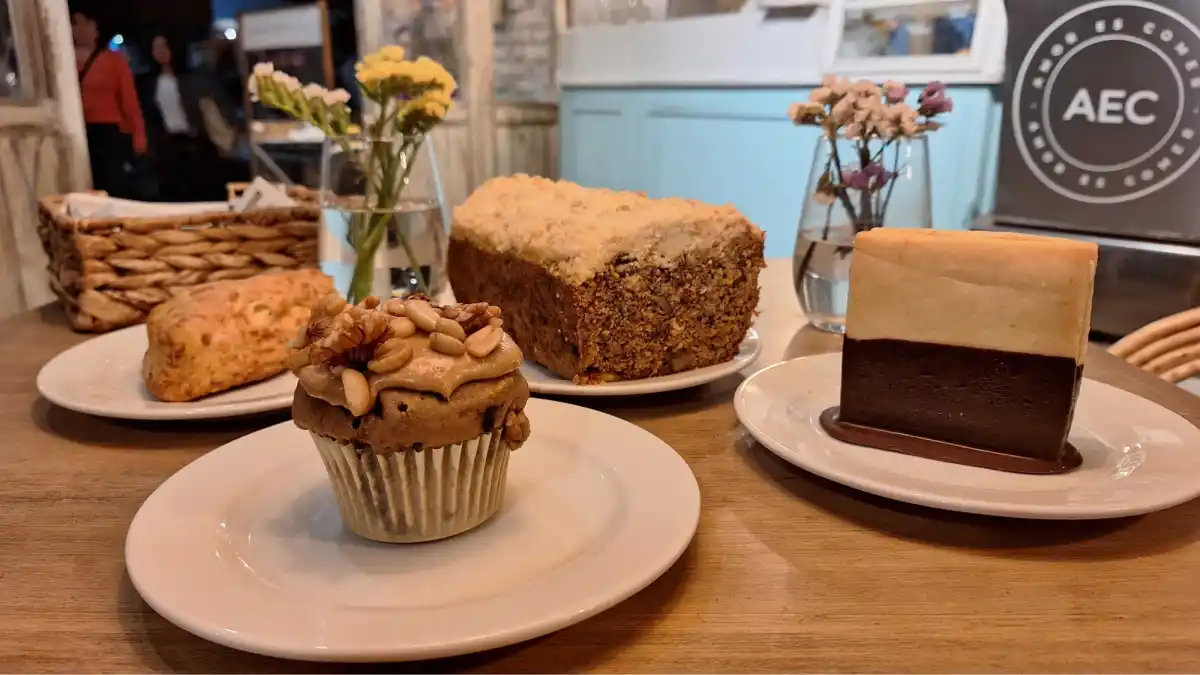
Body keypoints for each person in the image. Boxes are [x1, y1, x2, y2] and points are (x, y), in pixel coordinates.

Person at [71, 8, 146, 198]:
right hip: (78, 131)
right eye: (73, 23)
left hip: (108, 133)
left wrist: (138, 136)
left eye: (81, 23)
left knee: (112, 185)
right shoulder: (64, 60)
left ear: (94, 26)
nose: (76, 29)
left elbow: (129, 101)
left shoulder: (114, 60)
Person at [139, 34, 210, 201]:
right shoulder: (149, 82)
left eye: (163, 47)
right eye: (155, 48)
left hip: (194, 139)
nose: (159, 52)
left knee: (198, 189)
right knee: (171, 190)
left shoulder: (191, 78)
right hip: (166, 142)